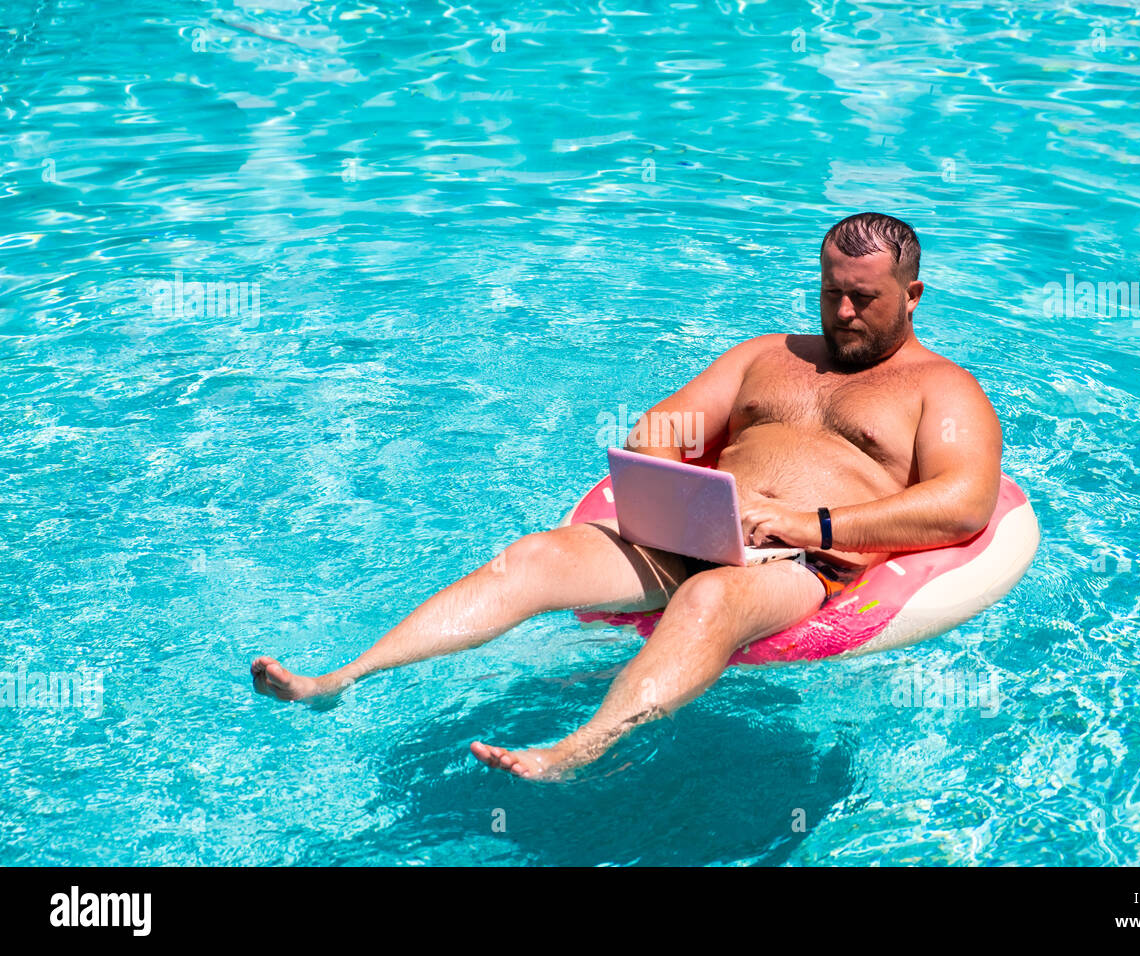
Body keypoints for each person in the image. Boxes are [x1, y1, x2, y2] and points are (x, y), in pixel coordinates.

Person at [251, 212, 1004, 780]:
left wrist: (805, 521)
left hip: (804, 560)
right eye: (830, 293)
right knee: (535, 558)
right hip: (702, 530)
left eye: (863, 299)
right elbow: (664, 426)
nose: (841, 314)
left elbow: (964, 503)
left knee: (709, 604)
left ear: (913, 295)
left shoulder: (943, 389)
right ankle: (337, 679)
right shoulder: (765, 357)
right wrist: (663, 464)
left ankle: (576, 750)